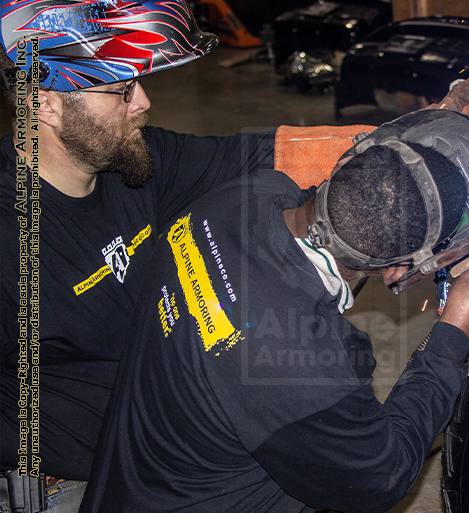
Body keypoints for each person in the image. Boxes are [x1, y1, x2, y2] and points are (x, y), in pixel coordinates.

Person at [0, 0, 377, 510]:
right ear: (45, 102)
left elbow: (258, 154)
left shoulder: (129, 162)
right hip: (75, 483)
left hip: (175, 443)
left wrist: (410, 141)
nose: (143, 102)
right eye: (121, 89)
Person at [79, 108, 469, 513]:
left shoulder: (244, 197)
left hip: (133, 486)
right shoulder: (297, 366)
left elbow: (362, 207)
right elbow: (380, 475)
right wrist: (454, 331)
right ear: (395, 274)